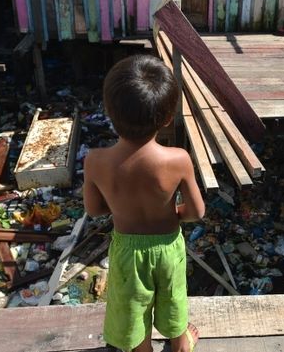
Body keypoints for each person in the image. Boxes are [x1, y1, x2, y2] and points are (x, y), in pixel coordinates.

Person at [83, 54, 205, 352]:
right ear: (166, 119)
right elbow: (196, 212)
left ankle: (143, 349)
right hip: (167, 249)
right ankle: (179, 344)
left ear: (109, 112)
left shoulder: (96, 161)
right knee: (173, 297)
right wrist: (172, 212)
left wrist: (122, 205)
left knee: (130, 307)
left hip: (127, 251)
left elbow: (94, 209)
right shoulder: (177, 160)